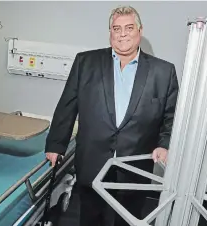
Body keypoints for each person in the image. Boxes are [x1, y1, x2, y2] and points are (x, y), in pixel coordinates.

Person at [45, 5, 179, 226]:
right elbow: (67, 105)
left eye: (128, 27)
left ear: (140, 30)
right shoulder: (85, 62)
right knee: (90, 215)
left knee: (128, 218)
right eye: (116, 28)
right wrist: (55, 144)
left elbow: (171, 116)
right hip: (93, 158)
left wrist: (164, 144)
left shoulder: (163, 72)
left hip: (135, 161)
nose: (122, 34)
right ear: (110, 33)